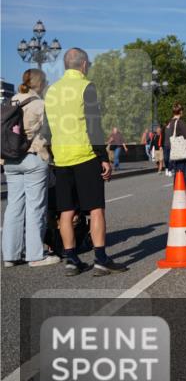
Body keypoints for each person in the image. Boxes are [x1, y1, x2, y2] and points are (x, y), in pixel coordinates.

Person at [44, 48, 128, 275]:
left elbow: (47, 128)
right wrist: (103, 157)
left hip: (61, 158)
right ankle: (100, 259)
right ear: (83, 65)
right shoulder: (86, 87)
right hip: (84, 155)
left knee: (66, 211)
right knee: (96, 209)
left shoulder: (51, 90)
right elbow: (93, 125)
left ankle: (71, 260)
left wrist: (54, 154)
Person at [2, 69, 60, 268]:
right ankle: (35, 255)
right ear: (40, 83)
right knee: (35, 207)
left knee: (14, 207)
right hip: (34, 157)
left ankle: (10, 254)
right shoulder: (40, 104)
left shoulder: (9, 103)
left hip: (10, 160)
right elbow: (52, 132)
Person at [164, 103, 186, 186]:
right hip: (182, 152)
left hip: (174, 150)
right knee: (184, 173)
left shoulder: (170, 123)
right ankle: (181, 195)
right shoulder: (180, 122)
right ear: (180, 111)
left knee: (178, 173)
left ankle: (177, 194)